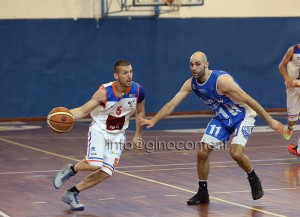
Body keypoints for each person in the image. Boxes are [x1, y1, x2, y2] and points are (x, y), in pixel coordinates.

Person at [139, 51, 285, 205]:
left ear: (206, 64)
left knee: (235, 153)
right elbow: (172, 104)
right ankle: (203, 192)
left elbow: (249, 99)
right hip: (222, 118)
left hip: (242, 116)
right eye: (191, 64)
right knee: (202, 152)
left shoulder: (221, 81)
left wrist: (270, 120)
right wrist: (154, 119)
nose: (194, 68)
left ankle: (253, 177)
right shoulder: (191, 83)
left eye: (198, 64)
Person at [52, 60, 145, 210]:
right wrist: (65, 115)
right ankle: (71, 170)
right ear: (116, 75)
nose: (129, 76)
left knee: (106, 172)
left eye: (131, 72)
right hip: (100, 129)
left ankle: (72, 193)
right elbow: (82, 110)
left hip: (118, 135)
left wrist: (138, 135)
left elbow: (140, 111)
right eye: (125, 72)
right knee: (94, 164)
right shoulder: (104, 92)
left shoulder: (138, 91)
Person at [278, 44, 300, 157]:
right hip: (293, 88)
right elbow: (281, 66)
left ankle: (299, 151)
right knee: (293, 119)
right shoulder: (293, 50)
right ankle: (290, 128)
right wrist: (287, 78)